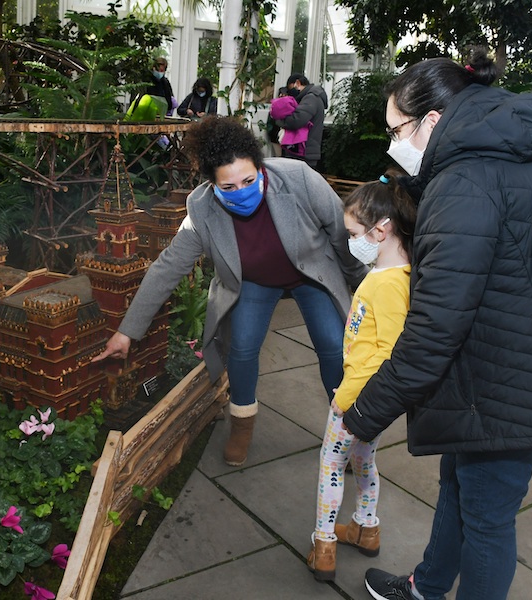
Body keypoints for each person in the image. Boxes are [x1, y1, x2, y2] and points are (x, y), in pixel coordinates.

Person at [340, 48, 532, 600]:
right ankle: (428, 585)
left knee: (486, 518)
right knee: (463, 485)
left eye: (396, 130)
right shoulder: (520, 146)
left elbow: (437, 324)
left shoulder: (466, 179)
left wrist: (367, 411)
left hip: (511, 378)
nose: (392, 143)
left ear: (432, 121)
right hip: (525, 356)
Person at [93, 117, 367, 467]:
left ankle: (346, 432)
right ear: (212, 184)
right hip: (252, 279)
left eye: (249, 180)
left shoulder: (299, 179)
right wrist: (127, 332)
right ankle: (242, 422)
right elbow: (168, 266)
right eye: (229, 186)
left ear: (260, 166)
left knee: (333, 345)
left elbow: (341, 233)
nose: (241, 191)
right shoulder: (201, 209)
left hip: (310, 272)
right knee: (241, 347)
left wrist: (362, 283)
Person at [307, 174, 416, 582]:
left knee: (331, 462)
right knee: (363, 458)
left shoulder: (386, 284)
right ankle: (366, 529)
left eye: (355, 233)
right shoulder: (395, 274)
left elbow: (387, 351)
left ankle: (324, 546)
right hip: (371, 398)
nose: (352, 241)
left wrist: (346, 396)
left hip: (358, 396)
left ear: (381, 230)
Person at [273, 73, 328, 169]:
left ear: (298, 83)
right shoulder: (312, 97)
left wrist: (279, 120)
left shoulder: (311, 98)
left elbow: (296, 120)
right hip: (307, 151)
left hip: (303, 152)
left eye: (291, 89)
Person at [269, 87, 311, 160]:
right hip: (279, 138)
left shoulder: (278, 107)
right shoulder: (290, 107)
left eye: (284, 95)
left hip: (282, 139)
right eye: (280, 95)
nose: (282, 97)